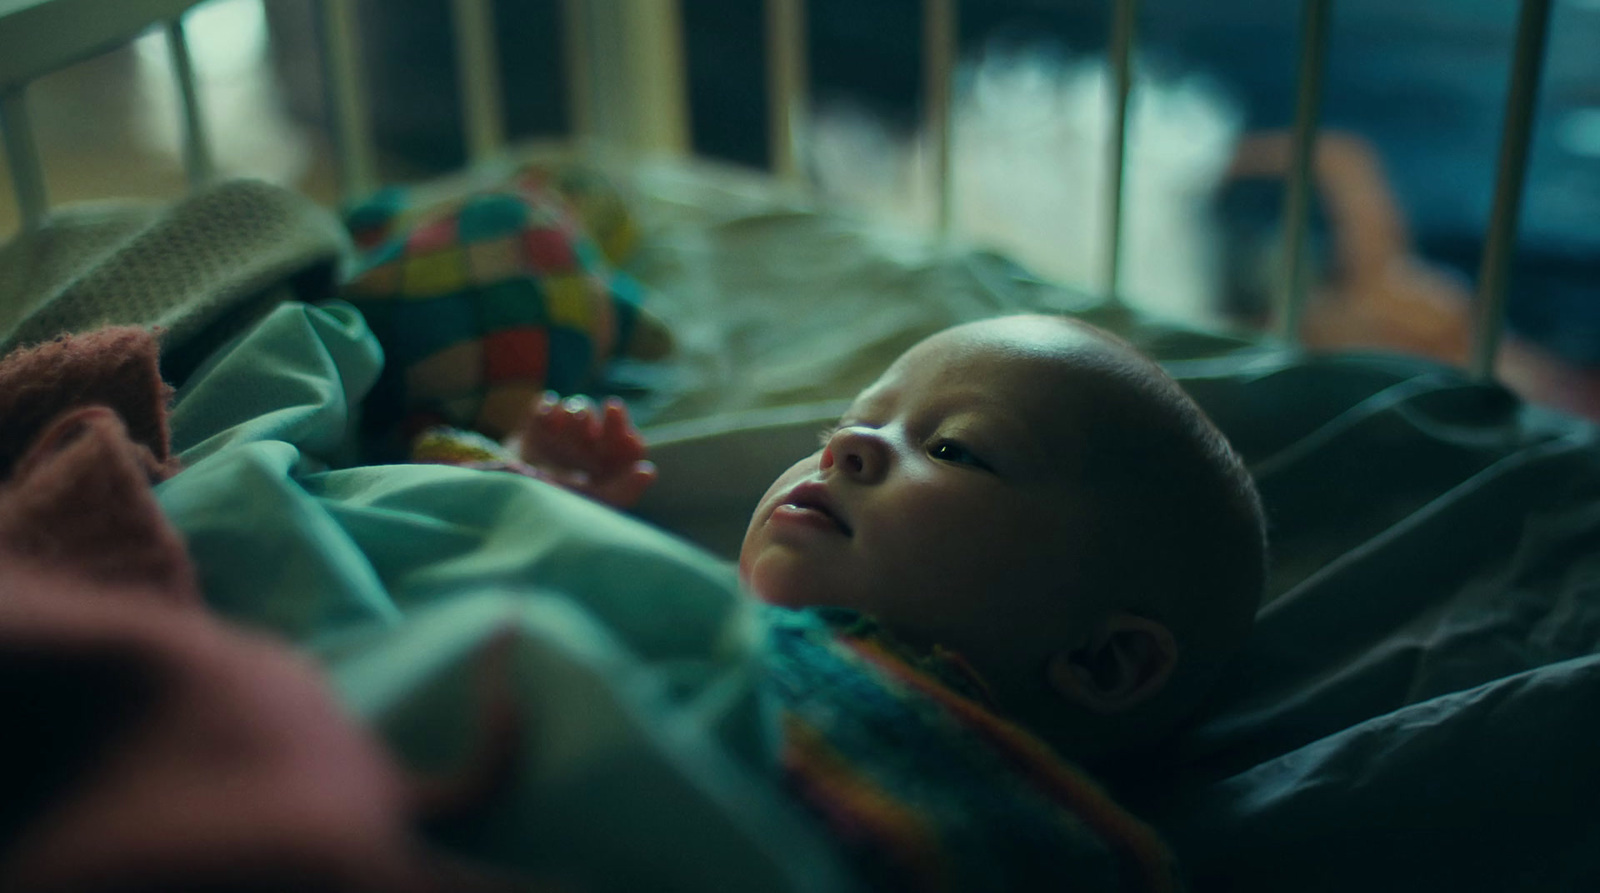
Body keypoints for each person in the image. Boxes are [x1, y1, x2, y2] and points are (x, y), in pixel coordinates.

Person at [508, 313, 1266, 764]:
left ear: (1103, 659)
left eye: (953, 449)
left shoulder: (985, 812)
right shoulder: (678, 593)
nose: (850, 447)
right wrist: (535, 500)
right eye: (843, 425)